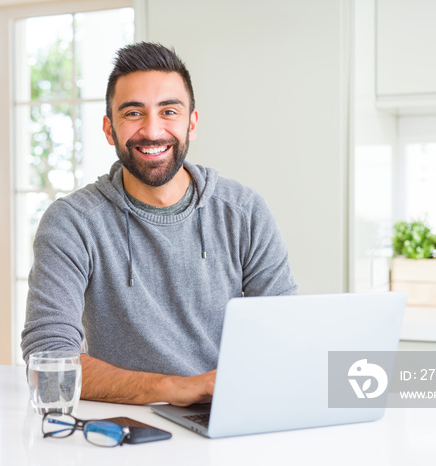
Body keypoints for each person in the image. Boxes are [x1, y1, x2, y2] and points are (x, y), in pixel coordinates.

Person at [21, 42, 298, 407]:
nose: (152, 130)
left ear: (191, 124)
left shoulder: (244, 211)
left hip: (227, 414)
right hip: (123, 426)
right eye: (133, 113)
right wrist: (172, 389)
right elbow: (50, 366)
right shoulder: (72, 222)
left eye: (169, 111)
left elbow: (285, 335)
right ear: (109, 129)